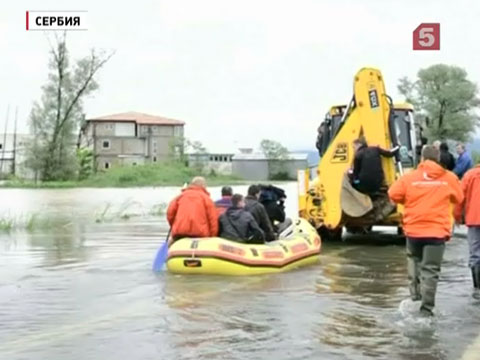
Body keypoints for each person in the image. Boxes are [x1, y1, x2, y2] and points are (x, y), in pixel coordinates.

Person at [388, 145, 464, 316]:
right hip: (437, 233)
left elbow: (393, 194)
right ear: (439, 158)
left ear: (422, 158)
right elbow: (459, 197)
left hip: (414, 230)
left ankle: (415, 296)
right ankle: (427, 310)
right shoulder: (449, 178)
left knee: (414, 260)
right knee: (431, 269)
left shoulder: (410, 178)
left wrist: (407, 199)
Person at [454, 163, 480, 298]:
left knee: (475, 254)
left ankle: (477, 288)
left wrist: (457, 216)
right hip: (474, 219)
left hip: (474, 219)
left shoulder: (470, 175)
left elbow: (459, 198)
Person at [166, 176, 218, 241]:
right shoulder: (207, 199)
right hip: (200, 235)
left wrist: (175, 226)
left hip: (180, 233)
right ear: (203, 185)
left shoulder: (179, 197)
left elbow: (170, 214)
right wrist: (212, 237)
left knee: (170, 243)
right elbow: (213, 220)